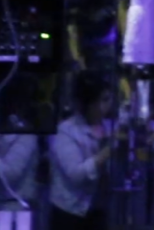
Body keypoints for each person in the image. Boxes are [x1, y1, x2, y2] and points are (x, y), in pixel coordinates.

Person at [49, 70, 113, 229]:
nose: (104, 107)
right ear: (86, 104)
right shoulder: (66, 131)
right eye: (99, 101)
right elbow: (76, 174)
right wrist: (104, 154)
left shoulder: (109, 127)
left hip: (97, 210)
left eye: (107, 99)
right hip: (70, 213)